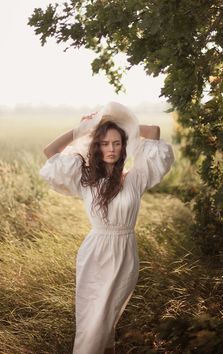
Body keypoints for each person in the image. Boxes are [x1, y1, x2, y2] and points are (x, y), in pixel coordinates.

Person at [39, 101, 175, 354]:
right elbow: (50, 151)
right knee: (92, 323)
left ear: (124, 145)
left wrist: (118, 123)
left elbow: (154, 132)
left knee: (106, 322)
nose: (110, 148)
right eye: (104, 143)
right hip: (95, 254)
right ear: (96, 146)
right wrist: (84, 127)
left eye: (116, 142)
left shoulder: (136, 178)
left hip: (125, 253)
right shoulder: (85, 179)